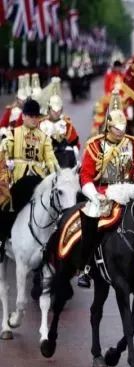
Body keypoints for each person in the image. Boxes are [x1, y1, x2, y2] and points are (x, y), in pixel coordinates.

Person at [76, 89, 134, 288]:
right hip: (103, 193)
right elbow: (85, 176)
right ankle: (86, 267)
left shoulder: (132, 144)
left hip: (129, 191)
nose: (121, 132)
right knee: (90, 218)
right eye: (117, 128)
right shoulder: (94, 146)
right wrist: (94, 196)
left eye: (123, 127)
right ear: (109, 126)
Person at [0, 99, 58, 260]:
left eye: (36, 116)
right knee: (5, 203)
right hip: (18, 178)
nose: (33, 119)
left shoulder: (44, 138)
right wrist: (4, 151)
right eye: (30, 115)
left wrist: (56, 175)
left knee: (55, 205)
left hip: (38, 180)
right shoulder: (14, 133)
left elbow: (51, 159)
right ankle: (1, 239)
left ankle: (53, 246)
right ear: (23, 116)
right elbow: (4, 149)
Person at [39, 77, 80, 166]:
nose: (56, 113)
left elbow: (76, 143)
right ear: (49, 109)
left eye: (59, 110)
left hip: (63, 160)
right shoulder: (41, 124)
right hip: (44, 160)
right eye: (54, 110)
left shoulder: (67, 124)